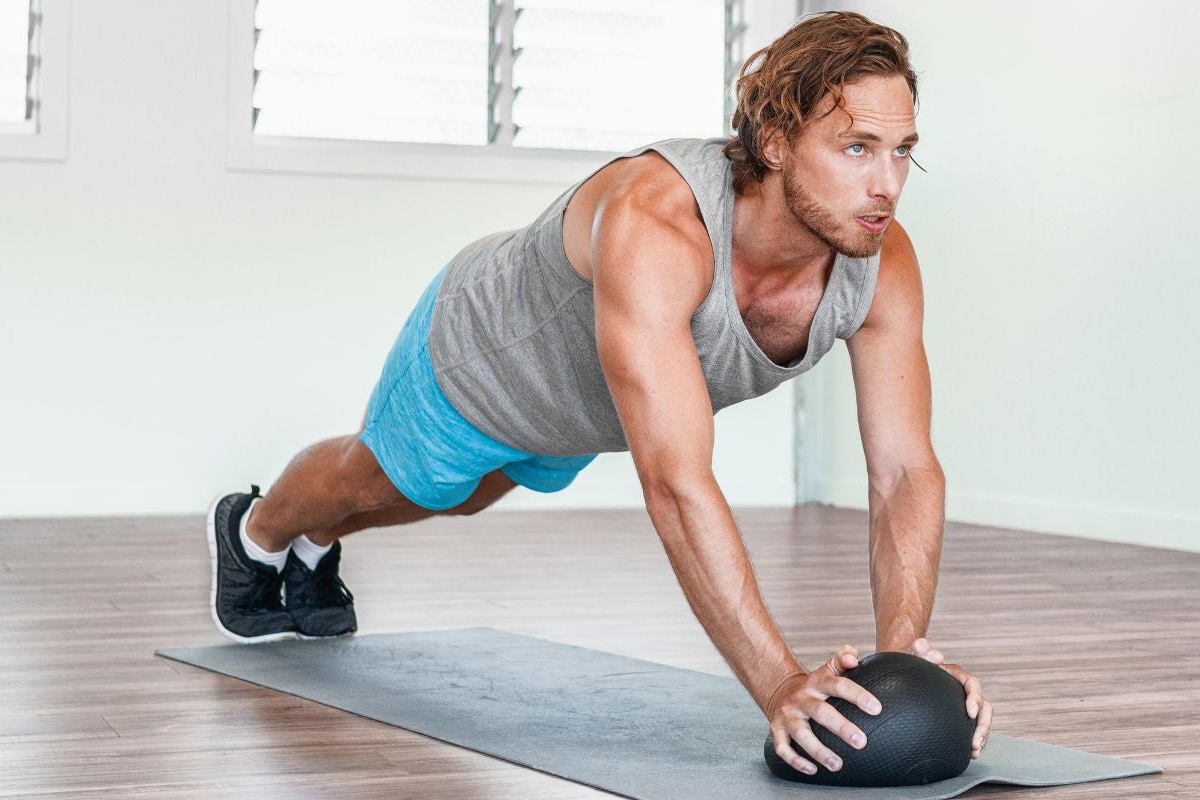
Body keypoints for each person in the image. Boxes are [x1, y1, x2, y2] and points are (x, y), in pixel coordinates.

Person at [201, 12, 985, 776]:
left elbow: (904, 471)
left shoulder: (879, 261)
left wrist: (903, 667)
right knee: (385, 479)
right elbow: (677, 483)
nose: (887, 185)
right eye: (856, 148)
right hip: (487, 354)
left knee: (462, 499)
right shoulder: (659, 219)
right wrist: (780, 685)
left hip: (586, 412)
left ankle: (314, 545)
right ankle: (256, 532)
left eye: (901, 152)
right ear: (776, 142)